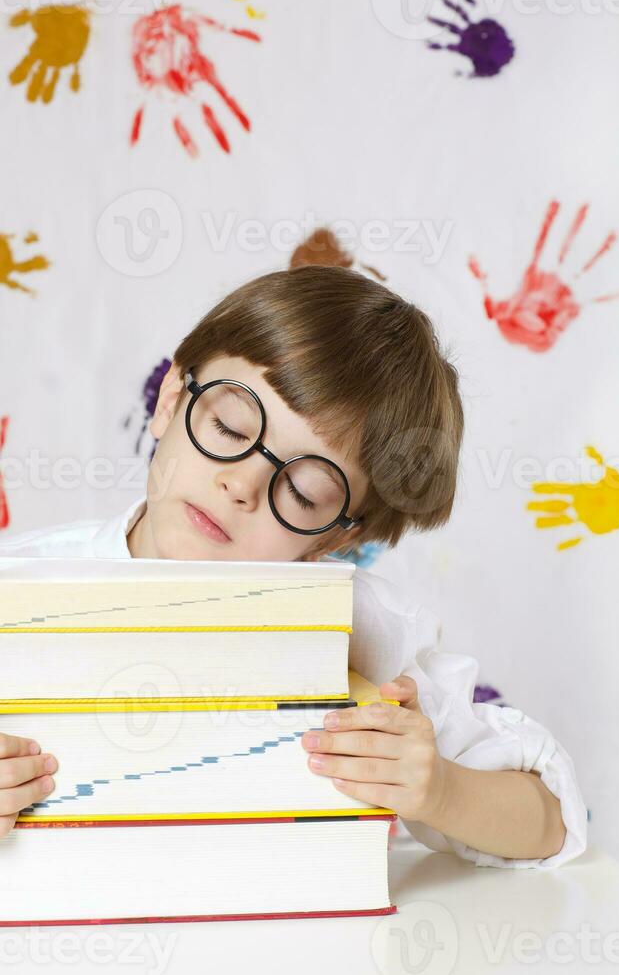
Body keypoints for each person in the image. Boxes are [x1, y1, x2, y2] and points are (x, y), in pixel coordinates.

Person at [0, 265, 587, 867]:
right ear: (172, 401)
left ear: (334, 539)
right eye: (229, 428)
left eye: (303, 492)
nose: (241, 486)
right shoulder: (16, 585)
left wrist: (438, 788)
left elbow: (553, 823)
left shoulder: (362, 631)